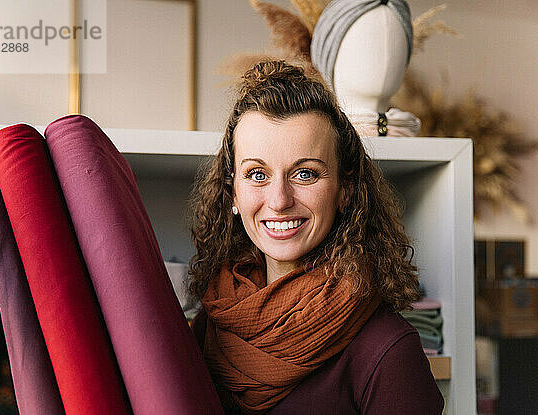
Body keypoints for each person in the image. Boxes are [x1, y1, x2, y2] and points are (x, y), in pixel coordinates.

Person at [187, 59, 443, 414]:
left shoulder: (388, 351)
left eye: (305, 174)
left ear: (345, 190)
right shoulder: (210, 323)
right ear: (233, 192)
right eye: (257, 174)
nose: (278, 201)